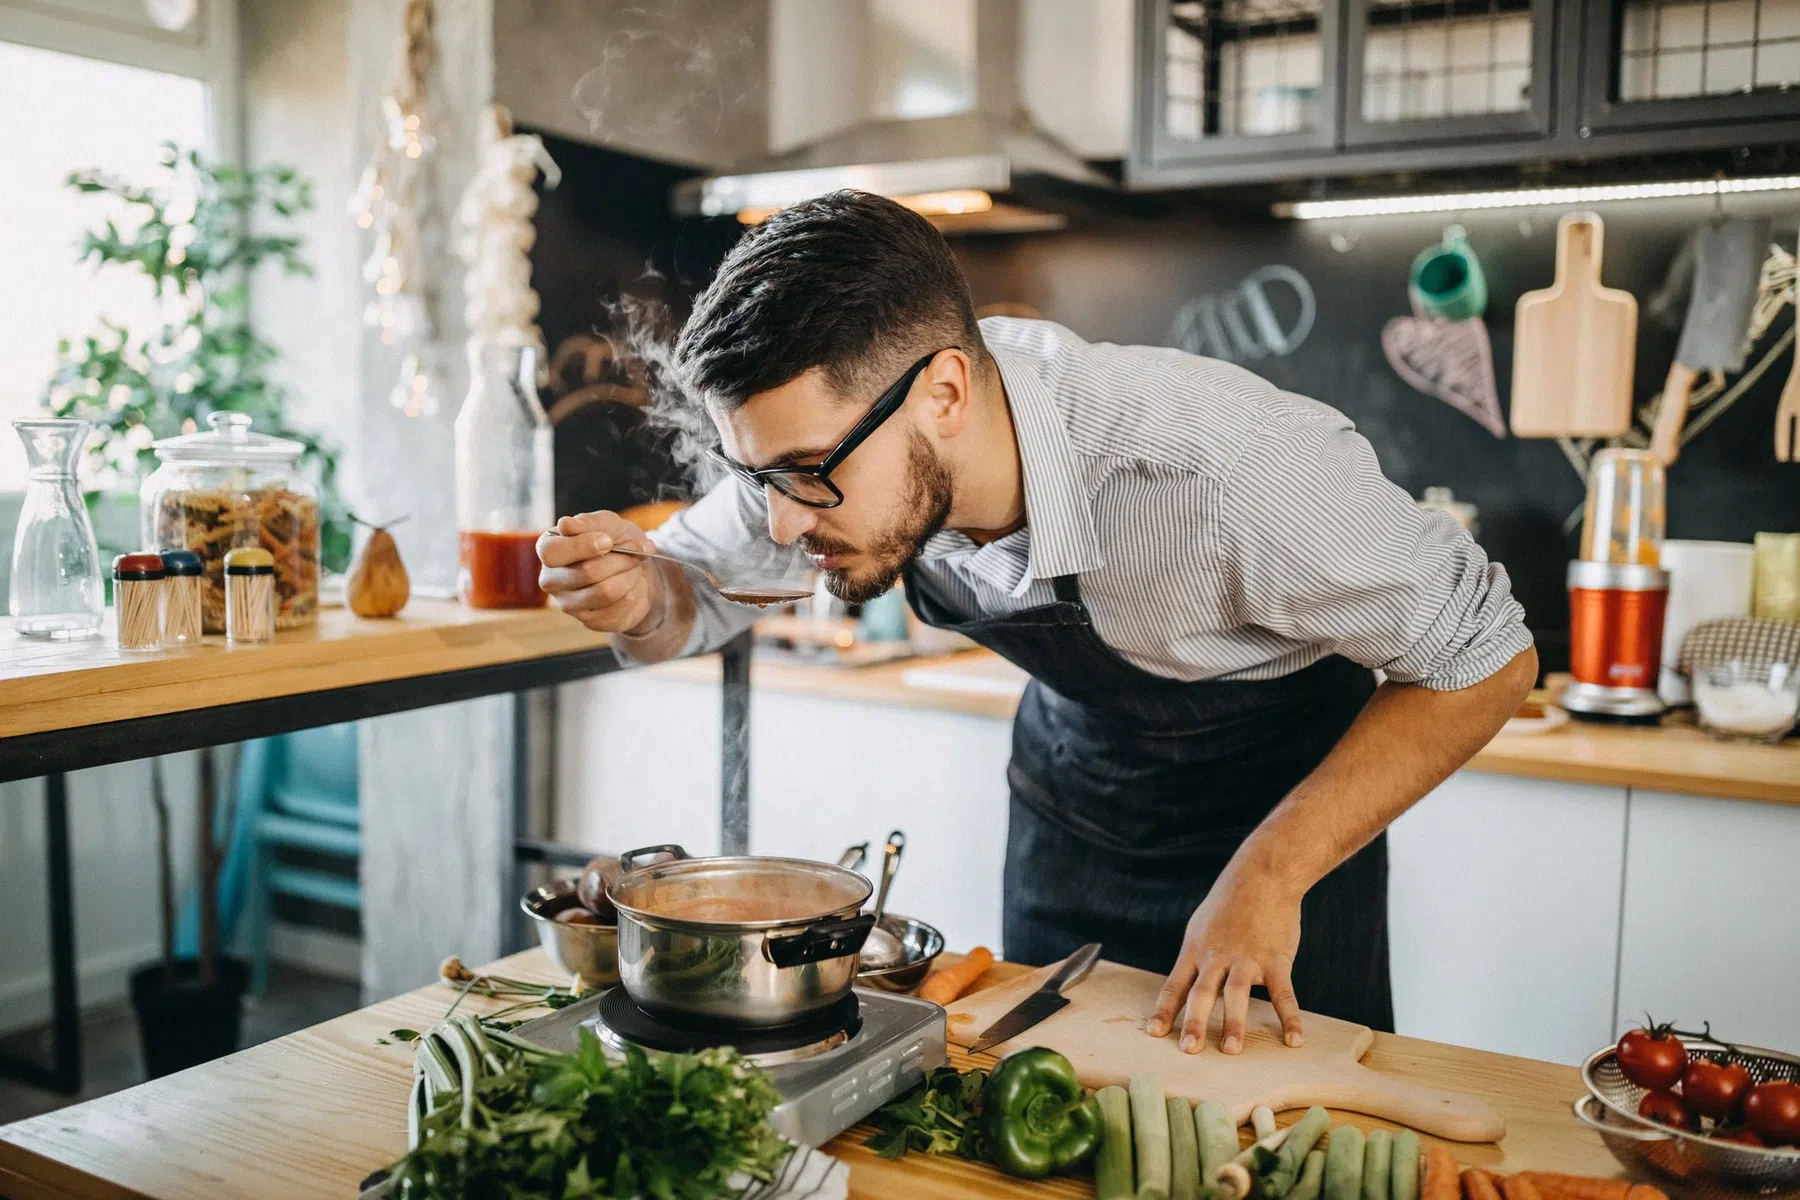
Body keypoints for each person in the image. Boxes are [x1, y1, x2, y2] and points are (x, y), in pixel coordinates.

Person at [538, 191, 1536, 1054]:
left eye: (807, 476)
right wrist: (641, 598)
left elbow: (1488, 658)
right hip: (1076, 806)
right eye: (759, 479)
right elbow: (691, 597)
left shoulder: (1227, 472)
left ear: (944, 395)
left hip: (1278, 822)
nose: (785, 522)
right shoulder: (837, 438)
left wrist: (1272, 874)